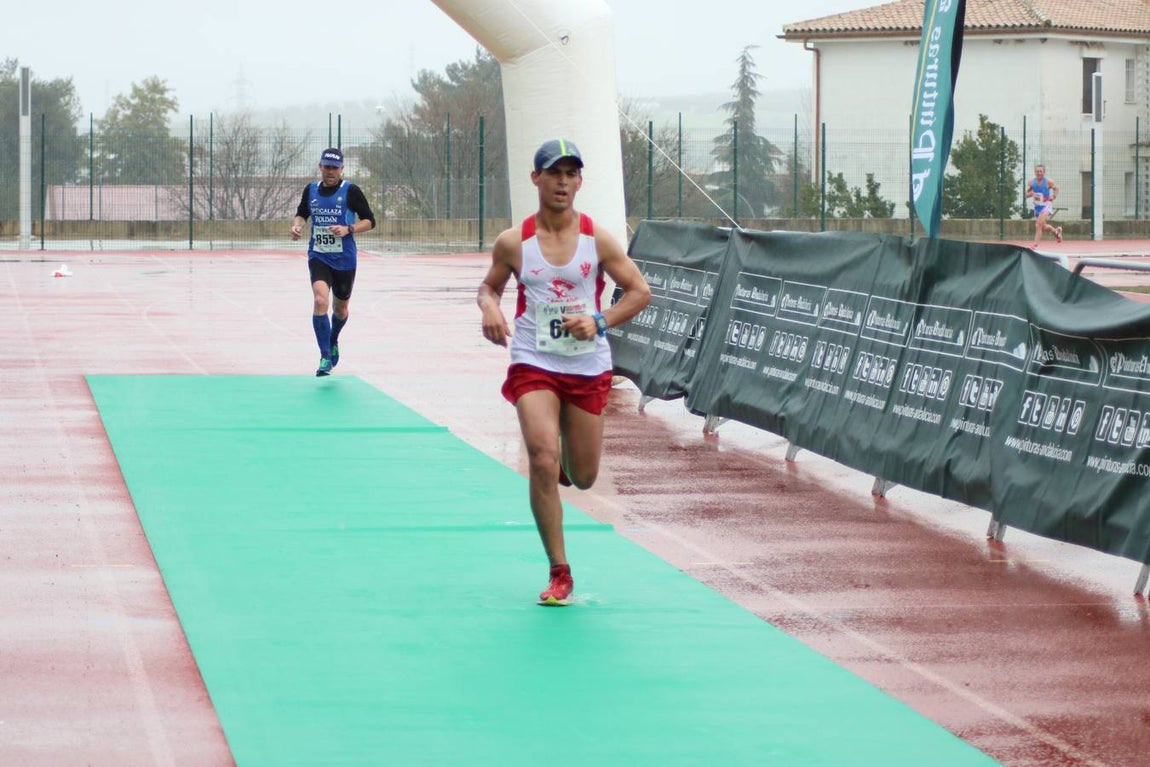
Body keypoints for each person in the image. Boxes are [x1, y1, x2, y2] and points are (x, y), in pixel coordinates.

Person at [477, 138, 651, 606]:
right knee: (540, 457)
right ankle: (560, 570)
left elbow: (639, 291)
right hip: (534, 359)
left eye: (571, 173)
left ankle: (566, 467)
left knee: (585, 475)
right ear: (536, 178)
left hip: (586, 365)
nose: (562, 181)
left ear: (579, 182)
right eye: (554, 172)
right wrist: (489, 307)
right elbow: (488, 287)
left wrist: (598, 321)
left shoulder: (598, 240)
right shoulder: (515, 241)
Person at [290, 147, 376, 376]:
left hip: (345, 259)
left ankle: (334, 338)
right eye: (326, 166)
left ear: (341, 169)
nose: (330, 171)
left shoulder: (351, 191)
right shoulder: (311, 190)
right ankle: (325, 356)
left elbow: (370, 221)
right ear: (320, 167)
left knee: (341, 308)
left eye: (334, 168)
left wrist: (349, 229)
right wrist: (297, 225)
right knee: (320, 301)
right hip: (318, 255)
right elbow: (302, 213)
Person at [1028, 164, 1062, 249]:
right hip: (1037, 206)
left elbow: (1056, 189)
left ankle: (1035, 245)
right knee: (1043, 226)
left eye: (1041, 171)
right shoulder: (1031, 182)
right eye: (1037, 171)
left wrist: (1053, 196)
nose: (1039, 173)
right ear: (1035, 172)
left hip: (1046, 205)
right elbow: (1026, 194)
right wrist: (1031, 194)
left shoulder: (1048, 182)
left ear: (1044, 172)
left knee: (1038, 225)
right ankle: (1056, 231)